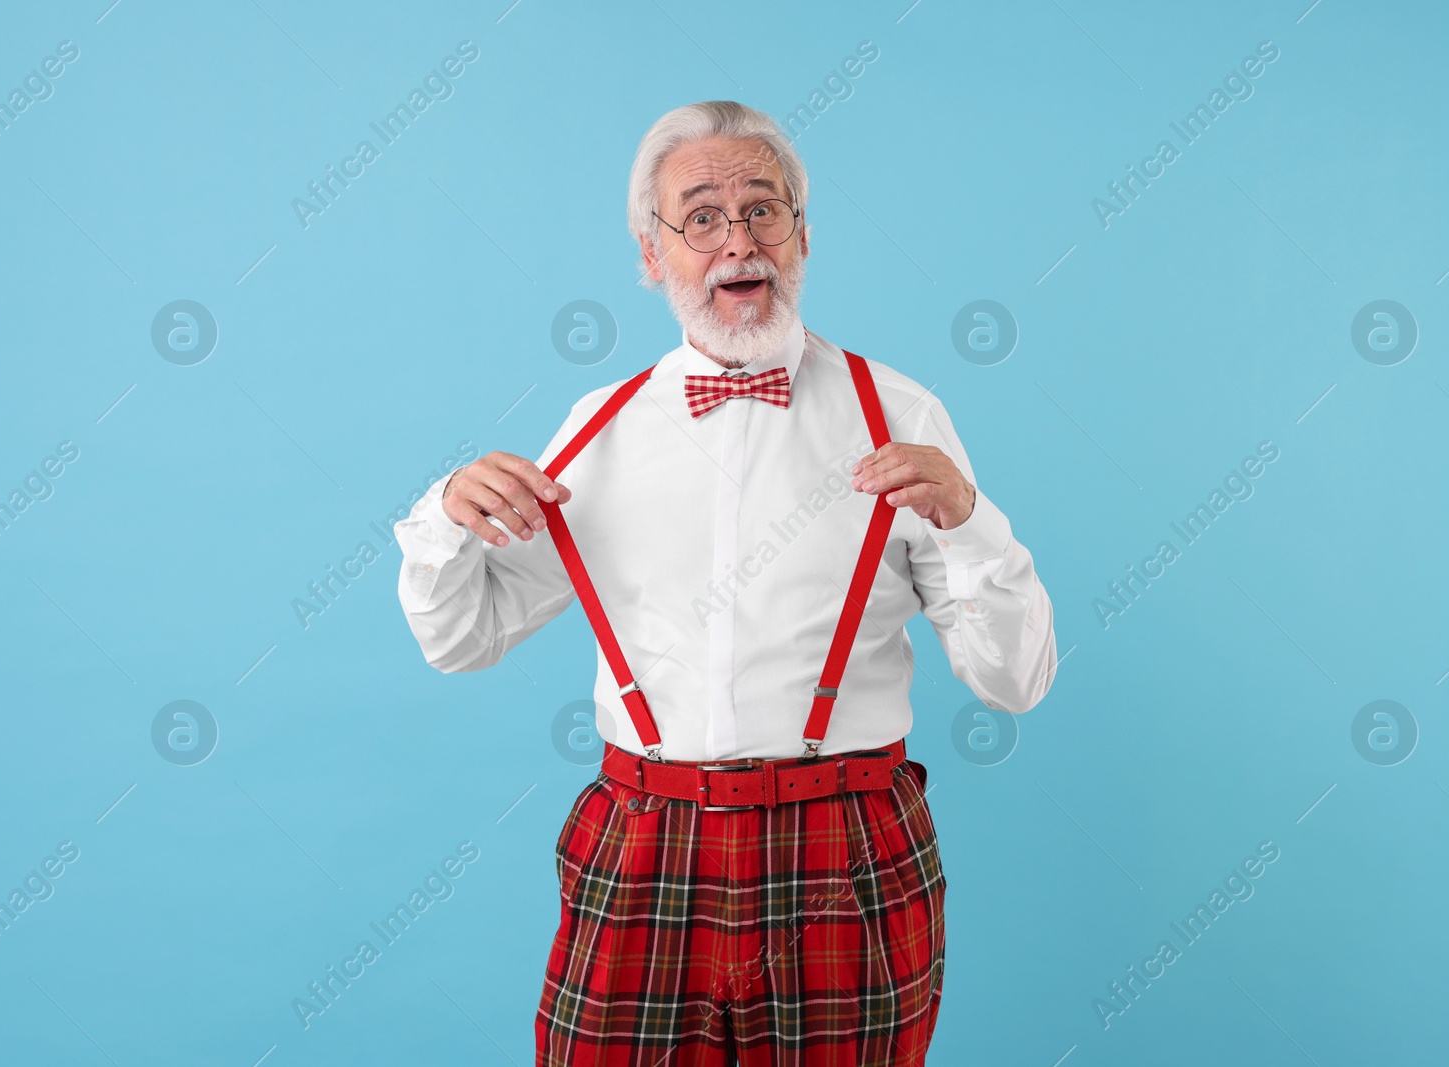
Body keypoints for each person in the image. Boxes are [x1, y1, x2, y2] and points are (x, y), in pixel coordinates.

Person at [393, 99, 1057, 1066]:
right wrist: (444, 514)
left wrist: (969, 518)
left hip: (849, 850)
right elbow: (463, 640)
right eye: (700, 216)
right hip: (645, 844)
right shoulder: (598, 430)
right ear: (651, 254)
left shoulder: (902, 413)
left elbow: (1016, 680)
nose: (736, 239)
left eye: (763, 209)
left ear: (803, 235)